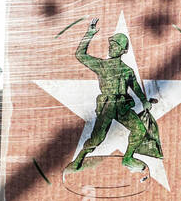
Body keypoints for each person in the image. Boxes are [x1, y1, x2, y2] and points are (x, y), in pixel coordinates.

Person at [67, 19, 162, 173]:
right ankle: (79, 159)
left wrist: (144, 101)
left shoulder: (127, 71)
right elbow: (80, 54)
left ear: (123, 50)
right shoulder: (102, 65)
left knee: (140, 130)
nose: (111, 47)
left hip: (122, 106)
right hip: (107, 106)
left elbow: (136, 87)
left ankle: (128, 158)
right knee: (97, 139)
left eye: (116, 45)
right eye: (111, 44)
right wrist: (89, 34)